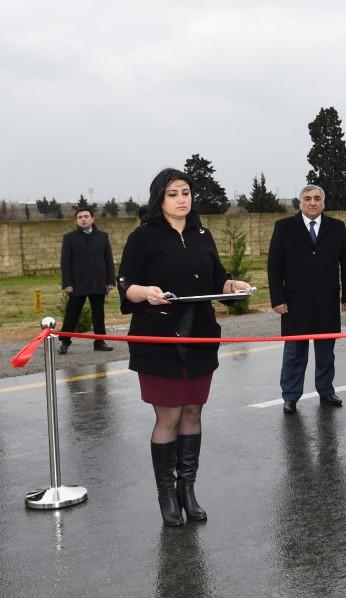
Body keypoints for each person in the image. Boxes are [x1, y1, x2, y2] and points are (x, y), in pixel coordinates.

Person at [117, 168, 251, 526]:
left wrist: (231, 285)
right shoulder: (143, 237)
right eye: (174, 193)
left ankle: (187, 490)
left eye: (186, 192)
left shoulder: (202, 234)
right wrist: (144, 293)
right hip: (159, 338)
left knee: (193, 412)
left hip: (200, 336)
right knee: (169, 416)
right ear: (159, 197)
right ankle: (166, 495)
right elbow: (125, 285)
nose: (181, 199)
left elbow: (217, 277)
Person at [267, 185, 346, 414]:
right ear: (300, 202)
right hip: (295, 302)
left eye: (317, 199)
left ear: (324, 203)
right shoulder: (284, 227)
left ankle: (326, 390)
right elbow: (274, 266)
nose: (312, 202)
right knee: (295, 353)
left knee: (326, 352)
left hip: (327, 301)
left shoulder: (337, 227)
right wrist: (277, 298)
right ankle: (291, 396)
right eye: (307, 199)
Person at [58, 206, 116, 354]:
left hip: (98, 282)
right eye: (80, 217)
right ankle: (65, 342)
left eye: (86, 216)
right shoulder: (69, 238)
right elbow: (65, 263)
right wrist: (67, 283)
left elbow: (108, 260)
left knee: (98, 313)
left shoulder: (102, 237)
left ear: (92, 219)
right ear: (77, 220)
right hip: (77, 284)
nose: (83, 219)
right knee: (72, 313)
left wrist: (110, 281)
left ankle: (99, 342)